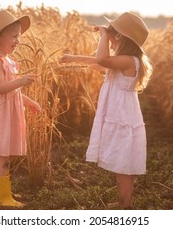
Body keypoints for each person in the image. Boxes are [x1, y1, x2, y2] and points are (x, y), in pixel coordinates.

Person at [60, 12, 152, 209]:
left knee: (123, 165)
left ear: (121, 38)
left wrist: (102, 34)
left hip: (122, 118)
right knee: (121, 163)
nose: (109, 43)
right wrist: (73, 59)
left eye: (111, 38)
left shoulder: (129, 60)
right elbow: (97, 62)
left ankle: (125, 204)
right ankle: (123, 202)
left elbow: (102, 60)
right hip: (118, 116)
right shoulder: (123, 61)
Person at [0, 10, 41, 207]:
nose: (18, 41)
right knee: (2, 158)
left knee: (6, 157)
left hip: (6, 114)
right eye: (14, 36)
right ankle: (0, 199)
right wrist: (21, 81)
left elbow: (13, 91)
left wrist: (28, 101)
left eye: (19, 36)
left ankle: (4, 195)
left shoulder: (8, 62)